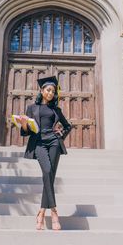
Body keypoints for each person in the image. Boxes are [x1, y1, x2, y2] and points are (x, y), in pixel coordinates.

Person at [18, 76, 72, 230]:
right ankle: (53, 211)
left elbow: (68, 126)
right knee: (47, 171)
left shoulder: (56, 110)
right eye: (48, 90)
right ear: (41, 91)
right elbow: (25, 132)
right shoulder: (31, 108)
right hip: (39, 143)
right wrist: (24, 124)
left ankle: (41, 212)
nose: (50, 93)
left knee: (49, 177)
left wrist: (59, 134)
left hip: (54, 142)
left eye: (53, 91)